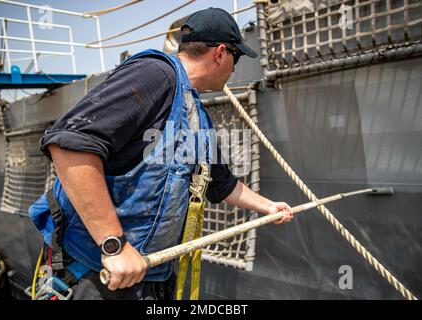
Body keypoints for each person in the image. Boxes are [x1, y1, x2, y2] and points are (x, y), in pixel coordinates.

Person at [29, 7, 293, 300]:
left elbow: (221, 185)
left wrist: (268, 206)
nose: (234, 68)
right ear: (220, 53)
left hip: (148, 277)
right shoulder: (155, 75)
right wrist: (113, 245)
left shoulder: (196, 115)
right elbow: (70, 145)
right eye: (237, 56)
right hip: (97, 273)